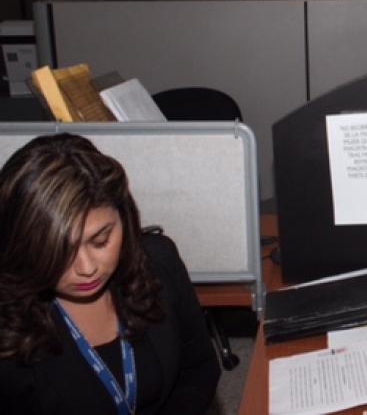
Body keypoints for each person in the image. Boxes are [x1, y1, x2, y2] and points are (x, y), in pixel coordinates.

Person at [0, 134, 221, 414]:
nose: (87, 267)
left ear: (124, 219)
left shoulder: (159, 261)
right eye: (58, 252)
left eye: (101, 240)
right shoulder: (8, 321)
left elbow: (198, 367)